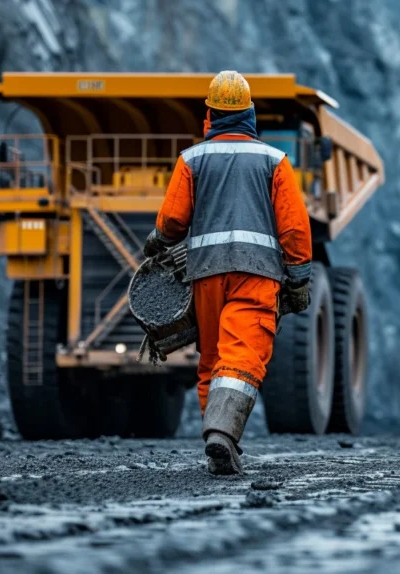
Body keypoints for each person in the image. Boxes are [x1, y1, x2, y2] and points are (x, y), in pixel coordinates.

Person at [144, 71, 313, 475]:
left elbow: (172, 220)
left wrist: (157, 242)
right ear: (250, 113)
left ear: (210, 114)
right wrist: (300, 277)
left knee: (213, 360)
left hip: (205, 275)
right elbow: (293, 227)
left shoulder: (192, 159)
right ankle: (222, 432)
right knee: (242, 355)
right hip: (256, 276)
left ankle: (219, 443)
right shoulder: (274, 160)